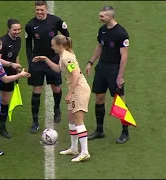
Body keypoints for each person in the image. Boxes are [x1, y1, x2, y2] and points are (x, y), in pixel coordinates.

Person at [33, 34, 91, 162]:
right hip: (76, 90)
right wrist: (45, 59)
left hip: (79, 90)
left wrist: (70, 93)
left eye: (53, 45)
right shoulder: (64, 55)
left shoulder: (66, 57)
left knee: (78, 121)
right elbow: (58, 69)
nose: (52, 47)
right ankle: (74, 148)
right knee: (71, 119)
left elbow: (75, 75)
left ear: (59, 45)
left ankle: (85, 152)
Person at [85, 5, 130, 144]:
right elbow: (99, 47)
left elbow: (124, 56)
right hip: (102, 68)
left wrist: (120, 76)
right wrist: (91, 62)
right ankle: (99, 130)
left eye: (102, 16)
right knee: (99, 97)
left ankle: (125, 132)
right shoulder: (102, 30)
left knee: (119, 101)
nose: (100, 18)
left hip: (114, 69)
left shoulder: (121, 33)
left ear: (110, 17)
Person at [25, 1, 70, 133]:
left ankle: (57, 109)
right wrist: (30, 61)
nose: (39, 12)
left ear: (46, 9)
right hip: (37, 61)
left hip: (53, 59)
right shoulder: (30, 25)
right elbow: (28, 44)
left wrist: (63, 54)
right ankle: (35, 121)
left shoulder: (55, 21)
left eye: (42, 9)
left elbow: (67, 36)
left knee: (56, 88)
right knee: (37, 90)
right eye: (37, 10)